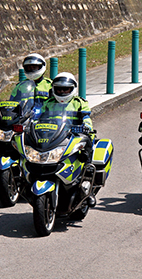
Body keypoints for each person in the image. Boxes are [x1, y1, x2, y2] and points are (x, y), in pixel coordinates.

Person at [37, 72, 97, 205]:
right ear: (53, 89)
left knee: (86, 157)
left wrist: (86, 127)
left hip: (76, 136)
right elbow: (38, 119)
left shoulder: (80, 103)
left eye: (66, 89)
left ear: (73, 89)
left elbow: (87, 118)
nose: (62, 91)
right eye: (59, 89)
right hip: (54, 136)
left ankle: (89, 191)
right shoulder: (48, 103)